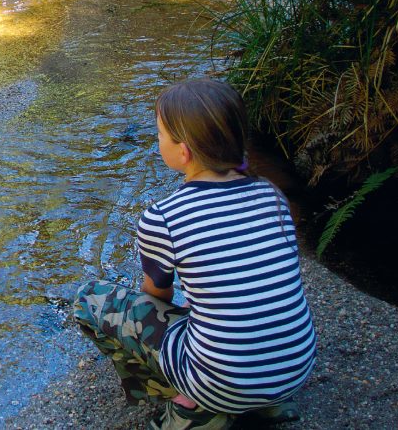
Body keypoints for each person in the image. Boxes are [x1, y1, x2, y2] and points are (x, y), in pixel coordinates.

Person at [74, 78, 317, 430]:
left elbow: (156, 298)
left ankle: (187, 402)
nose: (157, 141)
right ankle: (268, 405)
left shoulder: (164, 218)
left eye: (159, 135)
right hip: (295, 368)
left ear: (183, 152)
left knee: (89, 300)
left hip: (220, 383)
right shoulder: (272, 196)